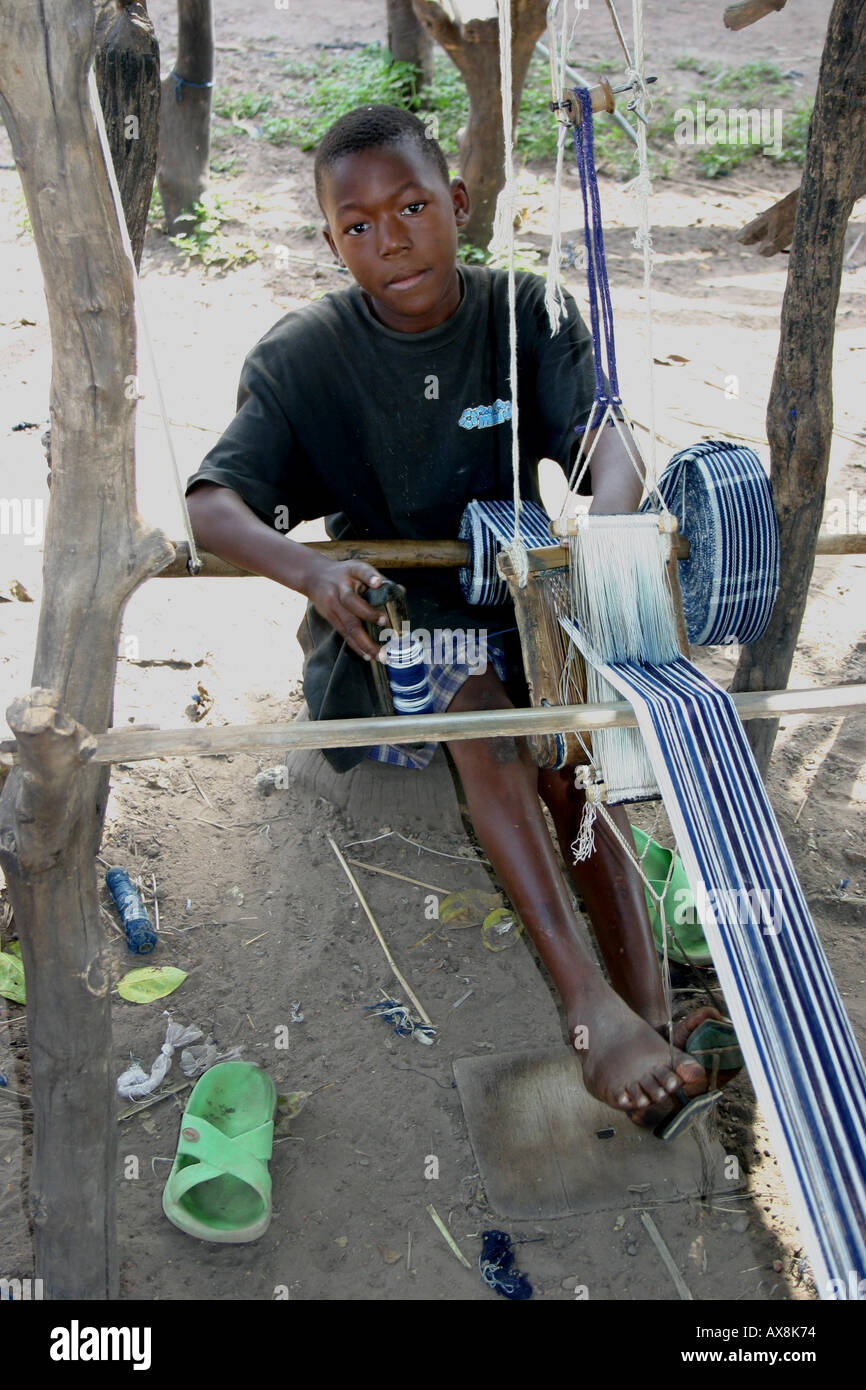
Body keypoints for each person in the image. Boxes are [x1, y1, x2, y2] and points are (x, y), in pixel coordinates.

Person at [186, 104, 721, 1131]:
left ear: (458, 203)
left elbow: (609, 444)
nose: (388, 239)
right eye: (356, 225)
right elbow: (213, 506)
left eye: (412, 207)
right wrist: (312, 573)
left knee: (572, 758)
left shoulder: (529, 313)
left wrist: (596, 550)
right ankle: (585, 1008)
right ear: (330, 239)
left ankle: (645, 1008)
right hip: (386, 610)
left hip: (520, 590)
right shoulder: (305, 355)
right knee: (482, 716)